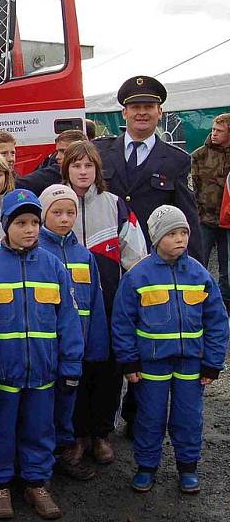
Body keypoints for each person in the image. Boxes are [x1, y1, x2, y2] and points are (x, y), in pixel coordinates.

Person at [0, 189, 82, 520]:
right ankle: (0, 484)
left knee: (40, 429)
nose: (30, 229)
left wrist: (70, 364)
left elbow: (69, 320)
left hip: (43, 374)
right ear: (6, 225)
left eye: (34, 222)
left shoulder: (53, 267)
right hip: (3, 376)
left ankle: (36, 482)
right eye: (21, 222)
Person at [112, 205, 229, 494]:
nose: (180, 239)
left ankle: (187, 467)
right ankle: (146, 466)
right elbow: (123, 321)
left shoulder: (199, 274)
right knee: (149, 417)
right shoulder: (138, 276)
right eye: (172, 233)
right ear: (156, 238)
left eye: (184, 233)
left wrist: (213, 363)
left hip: (191, 363)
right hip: (152, 364)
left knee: (188, 417)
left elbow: (217, 321)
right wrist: (129, 362)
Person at [61, 140, 147, 453]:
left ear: (97, 170)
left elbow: (136, 257)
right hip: (67, 309)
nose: (82, 172)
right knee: (75, 372)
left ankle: (101, 433)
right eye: (76, 165)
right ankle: (76, 435)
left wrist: (131, 302)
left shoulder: (115, 204)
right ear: (66, 169)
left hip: (109, 306)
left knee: (108, 372)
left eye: (88, 166)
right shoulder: (55, 203)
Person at [38, 185, 108, 481]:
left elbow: (95, 303)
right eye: (56, 212)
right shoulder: (37, 253)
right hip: (44, 350)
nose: (64, 219)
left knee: (68, 404)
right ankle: (39, 463)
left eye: (70, 213)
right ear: (43, 216)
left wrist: (95, 347)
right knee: (42, 411)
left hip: (74, 350)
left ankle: (64, 454)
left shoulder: (84, 255)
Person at [93, 76, 202, 262]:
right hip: (105, 256)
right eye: (135, 107)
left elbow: (188, 218)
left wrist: (193, 270)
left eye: (149, 107)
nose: (142, 113)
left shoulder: (178, 160)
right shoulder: (98, 152)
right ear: (124, 112)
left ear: (160, 112)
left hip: (155, 260)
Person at [191, 113, 230, 306]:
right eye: (213, 129)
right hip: (205, 219)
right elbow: (192, 187)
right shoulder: (199, 155)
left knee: (227, 267)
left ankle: (224, 302)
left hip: (228, 221)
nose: (214, 134)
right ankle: (197, 300)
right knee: (198, 262)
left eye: (219, 131)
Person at [16, 130, 87, 195]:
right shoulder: (54, 173)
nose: (57, 157)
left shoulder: (56, 172)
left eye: (63, 151)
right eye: (57, 152)